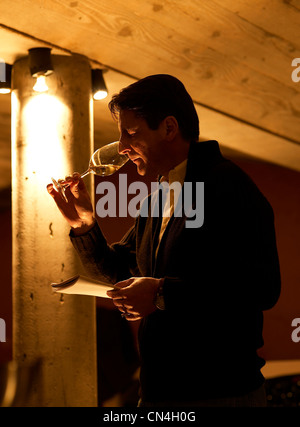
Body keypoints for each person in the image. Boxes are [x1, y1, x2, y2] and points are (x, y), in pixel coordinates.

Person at [47, 74, 281, 407]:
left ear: (169, 128)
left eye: (131, 132)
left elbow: (260, 287)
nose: (124, 149)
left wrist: (160, 292)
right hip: (159, 392)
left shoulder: (227, 185)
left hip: (219, 393)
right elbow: (121, 268)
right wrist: (84, 225)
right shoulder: (160, 196)